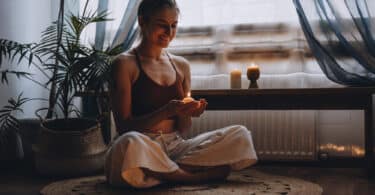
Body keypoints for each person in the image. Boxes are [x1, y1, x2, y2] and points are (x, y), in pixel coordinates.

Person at [105, 0, 257, 188]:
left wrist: (186, 113)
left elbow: (184, 129)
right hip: (143, 145)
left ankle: (160, 173)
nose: (169, 33)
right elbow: (123, 127)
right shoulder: (124, 64)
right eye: (162, 25)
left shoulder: (181, 65)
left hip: (175, 146)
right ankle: (191, 177)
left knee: (239, 134)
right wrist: (166, 111)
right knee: (127, 144)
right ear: (142, 21)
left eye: (174, 25)